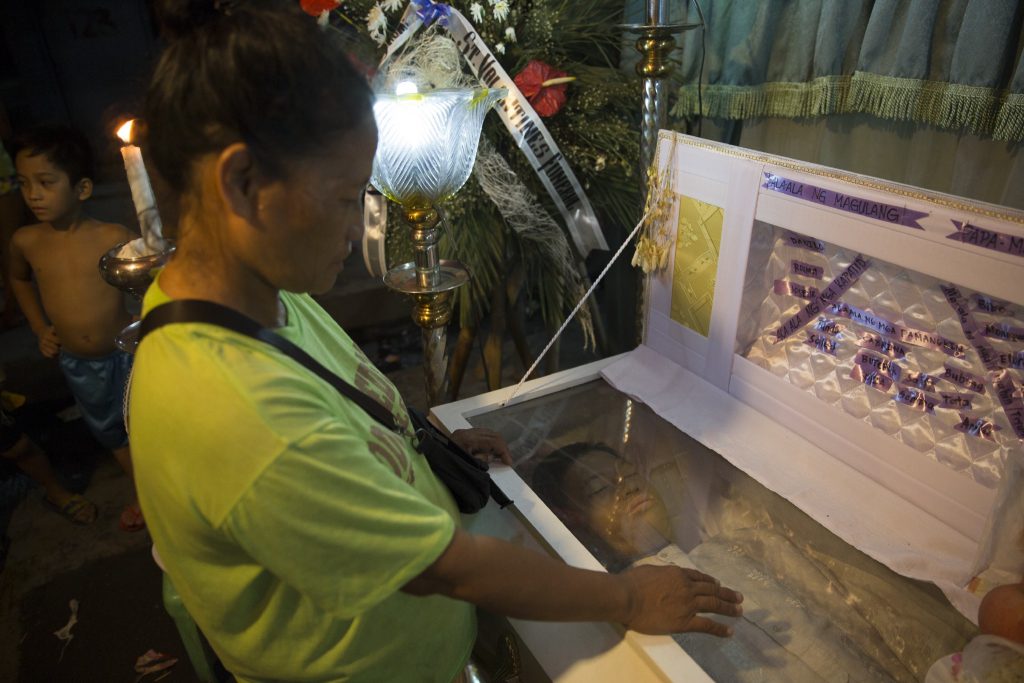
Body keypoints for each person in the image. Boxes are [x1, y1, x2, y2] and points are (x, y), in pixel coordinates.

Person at [127, 2, 743, 682]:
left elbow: (351, 400)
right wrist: (627, 595)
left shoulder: (257, 300)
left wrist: (421, 441)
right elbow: (449, 569)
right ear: (244, 183)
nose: (357, 224)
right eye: (345, 196)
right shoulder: (239, 416)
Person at [533, 441, 978, 681]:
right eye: (599, 491)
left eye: (628, 475)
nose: (627, 490)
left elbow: (859, 619)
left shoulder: (750, 543)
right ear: (576, 523)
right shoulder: (623, 627)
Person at [8, 125, 143, 532]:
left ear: (82, 188)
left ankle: (174, 486)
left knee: (149, 421)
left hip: (127, 352)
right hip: (81, 363)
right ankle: (145, 494)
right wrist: (38, 326)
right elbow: (18, 280)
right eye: (23, 183)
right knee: (113, 432)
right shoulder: (26, 241)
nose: (32, 194)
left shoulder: (113, 237)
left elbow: (147, 277)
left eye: (45, 183)